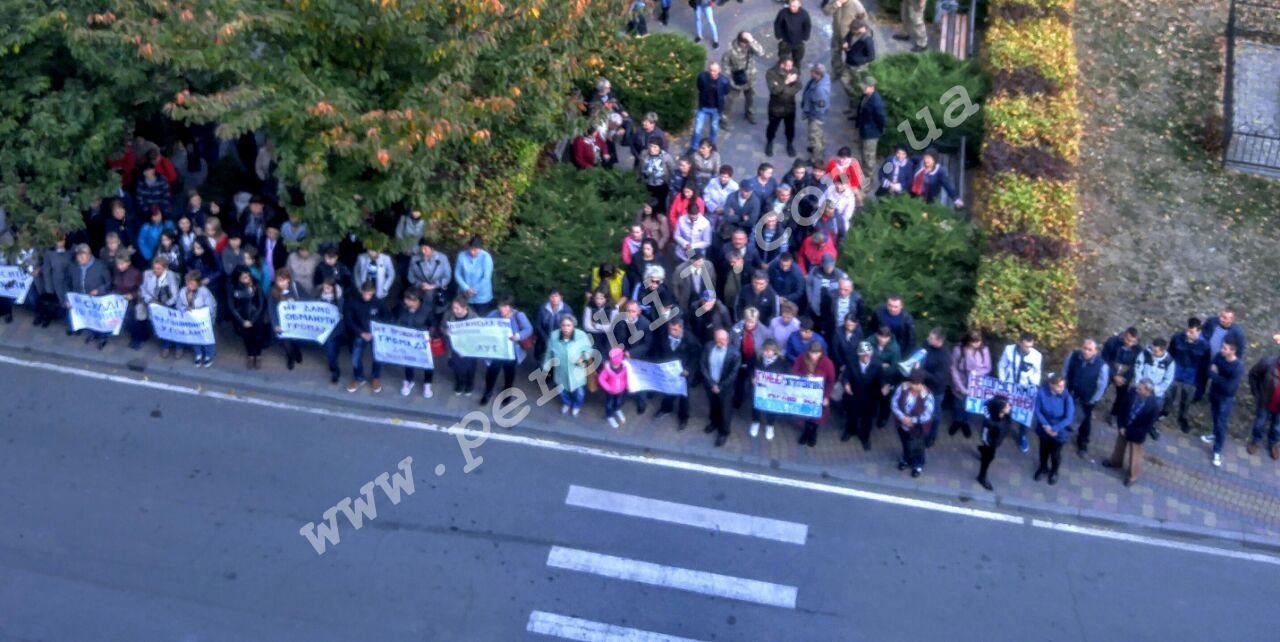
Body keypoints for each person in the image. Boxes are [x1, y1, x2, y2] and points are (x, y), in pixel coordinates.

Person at [1103, 380, 1160, 487]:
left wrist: (1128, 431)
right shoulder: (1132, 392)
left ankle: (1133, 476)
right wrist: (1121, 426)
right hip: (1125, 425)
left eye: (1140, 389)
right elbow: (1122, 408)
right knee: (1119, 446)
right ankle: (1116, 462)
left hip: (1136, 433)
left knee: (1135, 454)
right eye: (1138, 387)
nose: (1137, 390)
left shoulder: (1154, 407)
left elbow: (1146, 427)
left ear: (1148, 391)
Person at [1062, 338, 1110, 458]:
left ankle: (1082, 444)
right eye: (1084, 348)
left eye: (1090, 350)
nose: (1086, 352)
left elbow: (1101, 386)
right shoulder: (1073, 356)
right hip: (1070, 393)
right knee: (1064, 413)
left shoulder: (1102, 366)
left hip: (1087, 399)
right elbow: (1065, 371)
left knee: (1085, 421)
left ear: (1095, 351)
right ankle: (1060, 434)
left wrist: (1093, 400)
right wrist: (1063, 389)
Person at [481, 296, 534, 405]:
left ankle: (507, 392)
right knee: (492, 371)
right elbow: (483, 325)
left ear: (511, 307)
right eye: (500, 306)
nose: (502, 309)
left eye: (505, 307)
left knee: (509, 373)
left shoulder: (519, 315)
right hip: (496, 351)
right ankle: (488, 392)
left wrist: (518, 336)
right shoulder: (493, 314)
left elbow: (528, 329)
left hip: (511, 351)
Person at [653, 316, 702, 430]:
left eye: (675, 330)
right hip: (670, 369)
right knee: (668, 390)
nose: (672, 332)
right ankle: (666, 408)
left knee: (683, 395)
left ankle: (683, 417)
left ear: (681, 328)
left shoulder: (690, 339)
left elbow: (696, 356)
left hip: (684, 372)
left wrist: (688, 369)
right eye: (670, 329)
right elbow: (660, 351)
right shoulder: (664, 336)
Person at [1200, 340, 1244, 467]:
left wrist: (1216, 375)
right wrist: (1219, 377)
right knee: (1215, 417)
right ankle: (1214, 434)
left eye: (1225, 348)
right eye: (1222, 347)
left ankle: (1217, 450)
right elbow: (1209, 371)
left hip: (1226, 398)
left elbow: (1229, 387)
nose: (1221, 350)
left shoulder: (1237, 367)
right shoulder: (1219, 356)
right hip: (1214, 393)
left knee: (1221, 424)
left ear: (1232, 351)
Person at [998, 332, 1043, 452]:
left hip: (1025, 388)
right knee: (1006, 408)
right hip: (1010, 386)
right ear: (1019, 342)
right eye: (1026, 346)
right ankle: (1003, 430)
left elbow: (1037, 372)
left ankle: (1022, 435)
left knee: (1025, 413)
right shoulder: (1009, 350)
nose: (1028, 349)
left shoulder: (1037, 355)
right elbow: (1002, 366)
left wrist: (1034, 385)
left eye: (1030, 346)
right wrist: (1003, 382)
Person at [543, 315, 595, 417]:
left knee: (579, 393)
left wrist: (582, 358)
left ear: (573, 326)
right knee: (562, 391)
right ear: (560, 326)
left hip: (577, 371)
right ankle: (567, 403)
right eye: (563, 325)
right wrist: (546, 367)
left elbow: (590, 350)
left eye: (568, 325)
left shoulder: (581, 335)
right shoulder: (554, 336)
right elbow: (549, 352)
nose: (566, 328)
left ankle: (577, 406)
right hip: (561, 371)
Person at [344, 282, 391, 394]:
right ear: (361, 291)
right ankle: (359, 378)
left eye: (369, 294)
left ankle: (375, 377)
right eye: (365, 293)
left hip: (375, 334)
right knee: (355, 358)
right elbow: (349, 320)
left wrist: (378, 331)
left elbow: (387, 317)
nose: (366, 296)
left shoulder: (379, 303)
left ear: (373, 292)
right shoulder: (353, 303)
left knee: (377, 357)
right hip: (360, 334)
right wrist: (360, 333)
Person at [1167, 317, 1211, 433]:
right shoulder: (1177, 338)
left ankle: (1183, 417)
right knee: (1170, 393)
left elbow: (1204, 367)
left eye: (1192, 332)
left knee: (1187, 398)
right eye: (1187, 330)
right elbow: (1170, 354)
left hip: (1191, 375)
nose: (1188, 334)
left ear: (1199, 331)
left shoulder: (1205, 346)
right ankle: (1165, 411)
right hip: (1176, 370)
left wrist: (1200, 388)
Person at [701, 328, 742, 447]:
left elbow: (733, 374)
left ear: (727, 340)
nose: (719, 342)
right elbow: (703, 365)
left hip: (725, 388)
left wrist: (720, 386)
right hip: (710, 384)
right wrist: (711, 383)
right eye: (717, 340)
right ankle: (714, 422)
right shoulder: (708, 347)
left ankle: (724, 432)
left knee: (725, 409)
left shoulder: (735, 353)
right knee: (713, 405)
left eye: (722, 340)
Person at [67, 243, 113, 346]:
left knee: (100, 319)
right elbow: (68, 282)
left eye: (82, 256)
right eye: (78, 256)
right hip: (83, 299)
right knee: (89, 319)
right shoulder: (74, 266)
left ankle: (103, 337)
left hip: (98, 299)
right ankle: (93, 334)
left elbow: (109, 283)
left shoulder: (100, 266)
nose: (80, 259)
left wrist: (98, 290)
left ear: (89, 255)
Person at [392, 289, 436, 398]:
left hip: (422, 341)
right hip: (407, 340)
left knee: (427, 362)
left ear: (418, 301)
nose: (408, 303)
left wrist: (430, 335)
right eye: (406, 300)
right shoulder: (401, 308)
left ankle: (427, 383)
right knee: (408, 360)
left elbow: (433, 324)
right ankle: (408, 380)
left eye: (411, 301)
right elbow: (393, 318)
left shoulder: (427, 309)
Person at [794, 339, 837, 447]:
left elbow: (831, 381)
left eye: (817, 353)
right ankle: (806, 432)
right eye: (812, 353)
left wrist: (826, 396)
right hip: (804, 393)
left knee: (816, 416)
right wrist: (804, 377)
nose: (814, 356)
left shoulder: (827, 363)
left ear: (821, 353)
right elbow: (794, 371)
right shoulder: (801, 358)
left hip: (820, 395)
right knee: (805, 414)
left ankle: (812, 433)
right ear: (808, 351)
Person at [1033, 375, 1075, 485]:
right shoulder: (1042, 393)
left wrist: (1055, 428)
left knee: (1056, 454)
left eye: (1063, 386)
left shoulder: (1067, 397)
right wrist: (1046, 425)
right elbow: (1037, 410)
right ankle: (1043, 468)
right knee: (1043, 450)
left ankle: (1054, 472)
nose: (1062, 389)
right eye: (1058, 386)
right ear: (1051, 385)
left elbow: (1069, 418)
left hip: (1058, 430)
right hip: (1044, 428)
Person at [949, 330, 991, 438]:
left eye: (979, 341)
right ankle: (957, 421)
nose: (978, 344)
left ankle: (965, 423)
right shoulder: (958, 350)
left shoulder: (984, 350)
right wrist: (961, 387)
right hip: (961, 383)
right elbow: (953, 369)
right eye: (975, 342)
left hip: (975, 384)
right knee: (958, 404)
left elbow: (987, 367)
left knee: (970, 405)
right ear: (968, 341)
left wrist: (977, 373)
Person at [893, 371, 935, 477]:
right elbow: (894, 403)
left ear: (922, 384)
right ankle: (905, 459)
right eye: (912, 383)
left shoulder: (927, 395)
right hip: (902, 425)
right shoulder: (902, 388)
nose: (914, 386)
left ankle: (918, 465)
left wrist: (912, 420)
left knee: (918, 447)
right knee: (905, 444)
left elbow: (927, 414)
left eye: (917, 384)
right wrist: (902, 417)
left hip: (918, 428)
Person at [1133, 338, 1176, 440]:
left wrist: (1154, 389)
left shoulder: (1169, 362)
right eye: (1152, 349)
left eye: (1155, 351)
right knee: (1136, 407)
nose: (1152, 352)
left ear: (1162, 351)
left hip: (1157, 393)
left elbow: (1167, 380)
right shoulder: (1144, 354)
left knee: (1153, 412)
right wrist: (1141, 385)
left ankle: (1149, 427)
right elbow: (1138, 369)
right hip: (1142, 388)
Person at [229, 266, 270, 369]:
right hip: (242, 317)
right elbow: (232, 307)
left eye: (248, 276)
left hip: (256, 316)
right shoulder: (233, 287)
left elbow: (261, 304)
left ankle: (258, 355)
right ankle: (250, 355)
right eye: (244, 277)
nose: (247, 278)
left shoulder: (256, 285)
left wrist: (253, 320)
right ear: (238, 278)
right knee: (247, 338)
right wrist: (242, 321)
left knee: (258, 336)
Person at [720, 33, 764, 129]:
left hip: (750, 78)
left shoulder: (750, 45)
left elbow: (761, 53)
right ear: (740, 42)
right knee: (730, 100)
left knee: (750, 98)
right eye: (746, 43)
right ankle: (724, 119)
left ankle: (749, 113)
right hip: (736, 81)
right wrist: (730, 79)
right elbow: (725, 65)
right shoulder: (730, 50)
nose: (747, 45)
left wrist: (752, 41)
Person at [1102, 327, 1142, 429]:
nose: (1130, 343)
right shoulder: (1112, 342)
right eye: (1128, 340)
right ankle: (1089, 408)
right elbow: (1105, 358)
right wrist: (1113, 375)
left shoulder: (1138, 349)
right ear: (1124, 335)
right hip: (1110, 369)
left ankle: (1114, 414)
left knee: (1122, 396)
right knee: (1100, 388)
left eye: (1133, 341)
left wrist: (1126, 378)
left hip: (1124, 374)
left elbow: (1136, 365)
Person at [917, 328, 951, 447]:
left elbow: (938, 378)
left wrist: (921, 371)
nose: (928, 339)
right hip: (922, 384)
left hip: (935, 390)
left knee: (935, 414)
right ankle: (920, 429)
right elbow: (920, 351)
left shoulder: (945, 357)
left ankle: (932, 435)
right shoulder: (927, 344)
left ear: (939, 341)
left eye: (931, 338)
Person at [748, 338, 788, 441]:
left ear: (775, 351)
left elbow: (786, 375)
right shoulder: (757, 357)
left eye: (769, 351)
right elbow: (750, 368)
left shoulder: (782, 361)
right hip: (758, 388)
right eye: (765, 350)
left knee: (771, 407)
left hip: (773, 390)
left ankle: (770, 425)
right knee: (756, 405)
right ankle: (756, 422)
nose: (767, 353)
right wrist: (752, 377)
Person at [141, 257, 181, 357]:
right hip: (154, 304)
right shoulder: (147, 274)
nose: (156, 270)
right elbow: (143, 290)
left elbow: (175, 295)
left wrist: (164, 305)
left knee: (174, 327)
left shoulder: (171, 276)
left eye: (158, 268)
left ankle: (178, 348)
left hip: (169, 305)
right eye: (154, 268)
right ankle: (166, 346)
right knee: (162, 327)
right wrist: (151, 301)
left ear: (165, 268)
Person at [176, 270, 217, 367]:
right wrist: (185, 309)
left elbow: (211, 307)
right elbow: (178, 305)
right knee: (194, 337)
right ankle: (198, 353)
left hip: (204, 321)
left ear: (197, 283)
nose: (189, 285)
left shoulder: (204, 292)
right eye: (188, 283)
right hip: (190, 320)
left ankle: (209, 355)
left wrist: (195, 311)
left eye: (192, 283)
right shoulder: (183, 291)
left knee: (207, 338)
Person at [824, 0, 870, 83]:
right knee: (835, 54)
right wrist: (835, 5)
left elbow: (863, 19)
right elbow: (826, 12)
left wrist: (855, 32)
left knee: (852, 56)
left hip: (849, 37)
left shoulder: (855, 4)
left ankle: (851, 76)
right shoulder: (835, 2)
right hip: (836, 35)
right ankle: (837, 72)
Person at [764, 57, 802, 158]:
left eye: (791, 65)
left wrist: (784, 90)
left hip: (790, 105)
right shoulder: (771, 73)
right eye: (788, 66)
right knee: (772, 127)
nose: (790, 68)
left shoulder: (794, 70)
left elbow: (798, 85)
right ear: (782, 64)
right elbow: (774, 91)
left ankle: (790, 143)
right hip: (776, 106)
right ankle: (769, 142)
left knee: (790, 127)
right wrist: (787, 82)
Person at [1246, 351, 1280, 461]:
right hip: (1265, 403)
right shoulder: (1268, 363)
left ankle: (1273, 443)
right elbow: (1253, 375)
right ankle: (1256, 441)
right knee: (1259, 423)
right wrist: (1257, 393)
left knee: (1277, 427)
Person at [442, 296, 480, 395]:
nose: (454, 310)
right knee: (456, 366)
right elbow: (442, 327)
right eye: (453, 308)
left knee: (470, 367)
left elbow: (479, 333)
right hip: (454, 347)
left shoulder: (474, 317)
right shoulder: (448, 314)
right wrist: (445, 331)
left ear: (465, 308)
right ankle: (459, 383)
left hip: (470, 348)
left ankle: (469, 383)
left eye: (457, 308)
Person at [269, 268, 305, 369]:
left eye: (282, 280)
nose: (280, 283)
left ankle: (297, 352)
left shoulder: (296, 286)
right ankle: (290, 358)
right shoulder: (273, 291)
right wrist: (275, 324)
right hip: (281, 323)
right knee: (286, 343)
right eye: (278, 280)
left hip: (296, 322)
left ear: (288, 279)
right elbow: (271, 308)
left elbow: (307, 300)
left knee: (296, 340)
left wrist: (296, 303)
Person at [976, 396, 1013, 491]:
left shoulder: (1005, 415)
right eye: (1007, 406)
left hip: (996, 440)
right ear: (1000, 408)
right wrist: (989, 445)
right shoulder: (989, 422)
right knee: (988, 458)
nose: (1010, 407)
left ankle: (982, 450)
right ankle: (982, 476)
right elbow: (985, 436)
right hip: (991, 444)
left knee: (989, 454)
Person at [693, 62, 731, 150]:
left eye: (715, 71)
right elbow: (699, 87)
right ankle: (694, 147)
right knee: (698, 128)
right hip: (704, 107)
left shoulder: (724, 81)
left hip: (716, 108)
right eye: (711, 70)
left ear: (719, 70)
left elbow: (725, 92)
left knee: (714, 128)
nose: (712, 73)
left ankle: (711, 145)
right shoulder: (702, 77)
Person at [853, 76, 886, 176]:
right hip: (863, 129)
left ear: (872, 87)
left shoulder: (876, 102)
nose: (862, 88)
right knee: (863, 153)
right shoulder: (866, 96)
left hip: (871, 133)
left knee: (869, 157)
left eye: (865, 86)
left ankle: (869, 177)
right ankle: (863, 173)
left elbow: (881, 119)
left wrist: (877, 130)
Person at [316, 279, 347, 385]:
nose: (325, 290)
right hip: (325, 330)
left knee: (330, 350)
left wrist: (342, 315)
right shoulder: (320, 298)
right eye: (324, 287)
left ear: (333, 289)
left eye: (328, 288)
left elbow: (346, 314)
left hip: (337, 330)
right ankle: (333, 363)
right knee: (331, 350)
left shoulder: (340, 300)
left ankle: (335, 370)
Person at [111, 251, 144, 350]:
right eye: (118, 264)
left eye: (122, 264)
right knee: (128, 322)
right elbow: (114, 284)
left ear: (128, 263)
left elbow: (141, 289)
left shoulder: (136, 273)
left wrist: (133, 295)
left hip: (133, 302)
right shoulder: (116, 272)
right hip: (121, 301)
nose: (119, 266)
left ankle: (137, 339)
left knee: (134, 321)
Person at [800, 63, 831, 166]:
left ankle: (816, 158)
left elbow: (820, 107)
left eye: (812, 72)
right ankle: (821, 148)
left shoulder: (820, 90)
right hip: (816, 114)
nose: (810, 73)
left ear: (817, 74)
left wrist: (813, 117)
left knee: (814, 136)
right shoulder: (823, 78)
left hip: (815, 116)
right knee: (819, 133)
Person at [454, 236, 495, 315]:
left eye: (475, 250)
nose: (472, 252)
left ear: (480, 248)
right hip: (465, 294)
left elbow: (486, 278)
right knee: (465, 317)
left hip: (482, 296)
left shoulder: (486, 257)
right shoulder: (461, 256)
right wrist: (466, 288)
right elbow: (457, 274)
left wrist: (474, 289)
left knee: (481, 318)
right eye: (471, 249)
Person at [535, 288, 575, 361]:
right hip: (544, 339)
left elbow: (569, 327)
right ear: (549, 297)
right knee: (544, 361)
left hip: (560, 339)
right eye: (552, 296)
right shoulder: (543, 308)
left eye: (556, 296)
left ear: (561, 297)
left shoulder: (566, 309)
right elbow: (538, 326)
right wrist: (546, 339)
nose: (554, 299)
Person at [597, 348, 630, 429]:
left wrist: (627, 384)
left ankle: (617, 409)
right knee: (609, 404)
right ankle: (609, 416)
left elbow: (627, 377)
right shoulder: (607, 369)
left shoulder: (625, 367)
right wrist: (608, 387)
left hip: (620, 390)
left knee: (618, 401)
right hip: (610, 392)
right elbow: (601, 379)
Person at [639, 139, 678, 207]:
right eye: (650, 146)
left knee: (661, 203)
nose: (652, 149)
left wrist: (672, 183)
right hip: (647, 184)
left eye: (655, 147)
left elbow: (673, 169)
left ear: (659, 148)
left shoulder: (665, 156)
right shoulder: (644, 153)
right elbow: (640, 166)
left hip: (661, 185)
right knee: (648, 203)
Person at [774, 0, 812, 64]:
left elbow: (807, 26)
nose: (792, 8)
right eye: (790, 6)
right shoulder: (783, 12)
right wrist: (779, 36)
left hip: (799, 41)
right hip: (785, 41)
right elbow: (777, 24)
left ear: (799, 5)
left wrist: (805, 37)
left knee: (798, 58)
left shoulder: (804, 14)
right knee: (783, 57)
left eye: (794, 6)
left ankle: (796, 67)